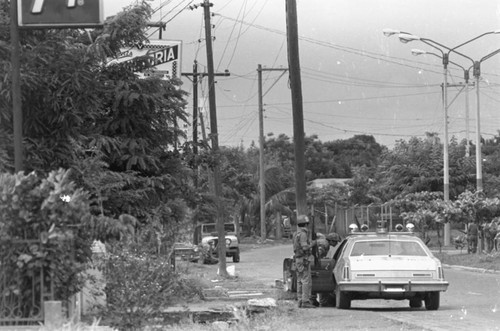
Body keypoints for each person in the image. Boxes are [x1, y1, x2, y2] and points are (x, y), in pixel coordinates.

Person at [293, 214, 317, 308]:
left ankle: (300, 301)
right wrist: (313, 244)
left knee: (299, 280)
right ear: (306, 224)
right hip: (303, 259)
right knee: (306, 281)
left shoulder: (296, 234)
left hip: (298, 259)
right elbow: (304, 247)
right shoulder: (303, 234)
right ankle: (305, 301)